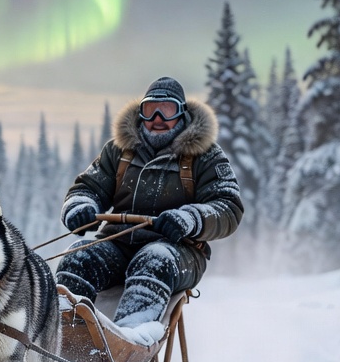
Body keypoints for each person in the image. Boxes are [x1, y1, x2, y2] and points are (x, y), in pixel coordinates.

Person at [55, 77, 243, 330]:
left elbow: (228, 206)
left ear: (182, 114)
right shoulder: (118, 151)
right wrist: (80, 207)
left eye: (167, 110)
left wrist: (190, 218)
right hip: (118, 244)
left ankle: (130, 340)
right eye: (150, 110)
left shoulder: (206, 155)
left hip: (179, 251)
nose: (157, 119)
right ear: (140, 113)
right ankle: (64, 333)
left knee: (154, 259)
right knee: (79, 255)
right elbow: (88, 187)